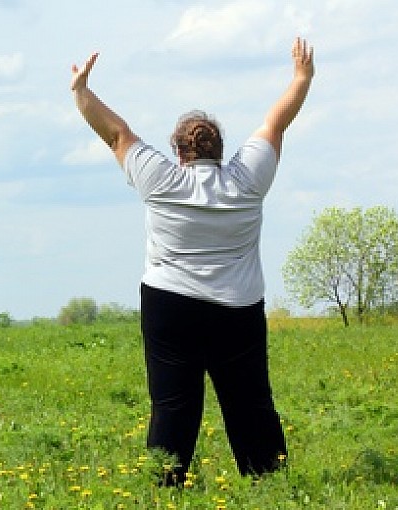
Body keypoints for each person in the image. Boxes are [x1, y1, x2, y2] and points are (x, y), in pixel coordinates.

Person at [70, 37, 314, 482]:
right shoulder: (245, 181)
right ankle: (270, 487)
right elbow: (276, 125)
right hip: (237, 310)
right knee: (250, 405)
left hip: (171, 307)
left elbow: (116, 134)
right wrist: (301, 78)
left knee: (172, 407)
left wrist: (82, 94)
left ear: (179, 152)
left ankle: (165, 488)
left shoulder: (162, 180)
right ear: (221, 150)